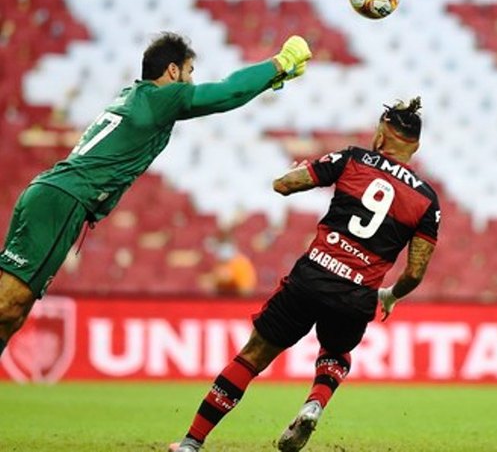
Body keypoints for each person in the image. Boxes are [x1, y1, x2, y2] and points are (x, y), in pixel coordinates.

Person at [0, 32, 312, 357]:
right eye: (190, 73)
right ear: (173, 71)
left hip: (49, 194)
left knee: (13, 313)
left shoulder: (134, 96)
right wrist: (280, 63)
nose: (190, 83)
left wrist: (277, 79)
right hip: (63, 200)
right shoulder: (160, 98)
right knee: (9, 304)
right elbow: (227, 92)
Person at [168, 97, 440, 452]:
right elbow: (416, 272)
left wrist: (294, 170)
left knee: (252, 357)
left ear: (381, 133)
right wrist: (389, 295)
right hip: (357, 294)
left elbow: (283, 185)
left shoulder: (353, 158)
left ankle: (191, 443)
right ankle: (315, 403)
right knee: (337, 352)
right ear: (415, 146)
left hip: (311, 278)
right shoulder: (427, 200)